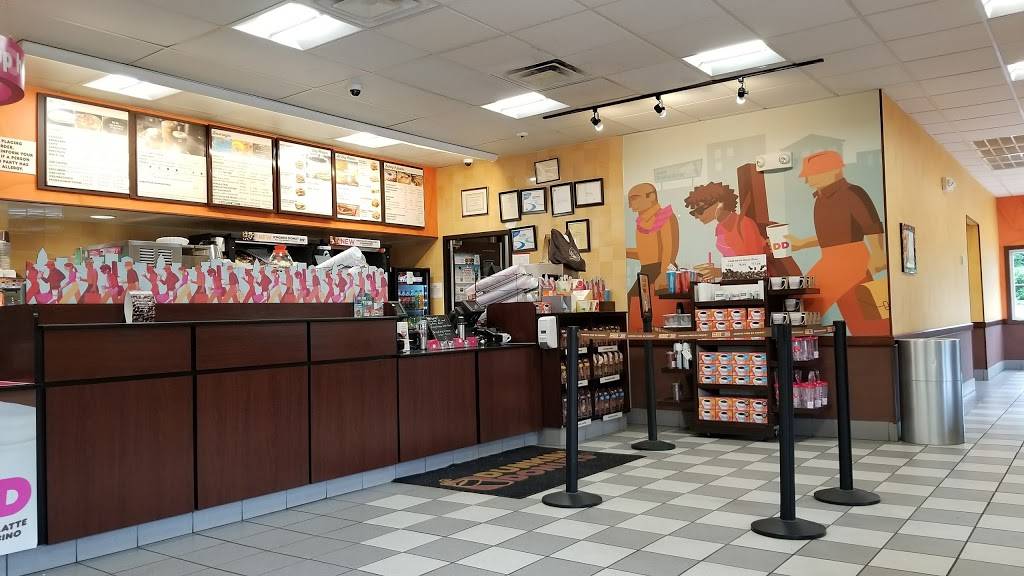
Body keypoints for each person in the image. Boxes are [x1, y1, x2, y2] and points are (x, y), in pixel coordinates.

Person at [787, 150, 888, 335]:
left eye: (812, 174)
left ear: (833, 171)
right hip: (833, 260)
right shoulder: (820, 200)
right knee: (862, 318)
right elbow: (833, 236)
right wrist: (802, 244)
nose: (807, 180)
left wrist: (878, 253)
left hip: (851, 260)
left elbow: (871, 226)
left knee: (803, 304)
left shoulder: (853, 193)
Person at [683, 182, 765, 281]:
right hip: (732, 283)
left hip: (750, 285)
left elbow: (757, 267)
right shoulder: (720, 227)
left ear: (719, 204)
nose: (696, 216)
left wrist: (721, 272)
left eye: (700, 210)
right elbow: (732, 262)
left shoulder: (744, 224)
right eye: (693, 213)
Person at [625, 183, 678, 291]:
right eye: (629, 200)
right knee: (633, 300)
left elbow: (669, 249)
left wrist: (664, 273)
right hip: (646, 271)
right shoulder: (641, 222)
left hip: (661, 271)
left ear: (651, 196)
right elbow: (647, 253)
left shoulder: (664, 216)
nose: (630, 205)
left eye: (634, 198)